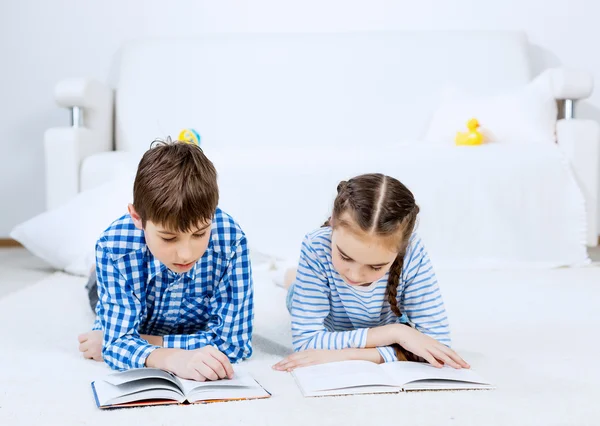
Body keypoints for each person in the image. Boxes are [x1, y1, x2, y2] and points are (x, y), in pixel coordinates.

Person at [77, 140, 253, 381]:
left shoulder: (231, 241)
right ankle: (93, 270)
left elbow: (235, 344)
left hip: (155, 319)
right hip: (124, 281)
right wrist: (172, 358)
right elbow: (116, 344)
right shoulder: (113, 248)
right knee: (96, 291)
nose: (186, 254)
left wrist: (147, 342)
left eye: (200, 234)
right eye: (169, 238)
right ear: (137, 218)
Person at [273, 173, 469, 371]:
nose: (355, 276)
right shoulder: (316, 245)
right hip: (325, 308)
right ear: (332, 222)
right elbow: (306, 343)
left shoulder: (413, 251)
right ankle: (286, 272)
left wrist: (350, 354)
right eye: (345, 257)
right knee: (294, 288)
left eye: (376, 267)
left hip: (377, 323)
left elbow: (438, 345)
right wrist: (396, 333)